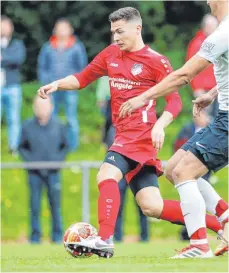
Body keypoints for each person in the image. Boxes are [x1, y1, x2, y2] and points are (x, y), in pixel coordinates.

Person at [37, 7, 224, 258]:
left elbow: (175, 103)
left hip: (140, 136)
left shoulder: (156, 61)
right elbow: (83, 78)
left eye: (120, 31)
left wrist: (160, 125)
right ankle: (219, 225)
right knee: (151, 206)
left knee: (106, 174)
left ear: (138, 28)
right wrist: (57, 84)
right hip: (124, 136)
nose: (115, 37)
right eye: (113, 32)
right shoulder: (111, 54)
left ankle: (104, 239)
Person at [119, 0, 228, 258]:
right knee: (172, 167)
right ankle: (224, 218)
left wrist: (143, 97)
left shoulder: (222, 34)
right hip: (222, 115)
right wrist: (213, 93)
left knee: (184, 172)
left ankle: (199, 245)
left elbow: (183, 76)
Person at [96, 77, 150, 242]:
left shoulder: (141, 106)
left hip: (138, 160)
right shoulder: (112, 109)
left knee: (144, 203)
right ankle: (115, 236)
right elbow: (107, 128)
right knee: (116, 201)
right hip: (119, 161)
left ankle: (144, 237)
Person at [19, 96, 69, 244]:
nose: (41, 109)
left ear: (51, 107)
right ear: (34, 108)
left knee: (55, 206)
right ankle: (35, 237)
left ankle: (57, 236)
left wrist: (57, 162)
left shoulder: (59, 125)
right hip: (34, 173)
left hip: (53, 172)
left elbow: (66, 146)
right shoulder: (27, 125)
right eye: (39, 106)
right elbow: (21, 147)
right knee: (34, 206)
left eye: (44, 106)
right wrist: (31, 162)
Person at [38, 18, 87, 152]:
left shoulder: (77, 47)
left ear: (70, 30)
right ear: (55, 30)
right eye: (59, 28)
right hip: (52, 89)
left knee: (71, 118)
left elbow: (82, 67)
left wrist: (76, 82)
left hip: (69, 88)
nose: (61, 31)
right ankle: (53, 144)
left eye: (64, 28)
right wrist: (46, 83)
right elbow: (42, 67)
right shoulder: (48, 47)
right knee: (50, 117)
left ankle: (72, 147)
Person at [173, 110, 212, 240]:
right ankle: (188, 231)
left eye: (202, 115)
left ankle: (195, 232)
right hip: (185, 167)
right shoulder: (187, 128)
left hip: (204, 171)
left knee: (201, 200)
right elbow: (178, 145)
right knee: (188, 200)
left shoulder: (211, 130)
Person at [1, 15, 26, 155]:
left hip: (12, 86)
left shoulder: (17, 44)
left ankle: (14, 147)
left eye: (6, 25)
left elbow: (18, 59)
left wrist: (3, 58)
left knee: (14, 118)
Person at [186, 14, 218, 117]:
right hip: (204, 90)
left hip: (216, 89)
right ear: (206, 27)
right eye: (213, 26)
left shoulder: (215, 42)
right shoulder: (198, 44)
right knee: (206, 121)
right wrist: (197, 89)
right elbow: (192, 69)